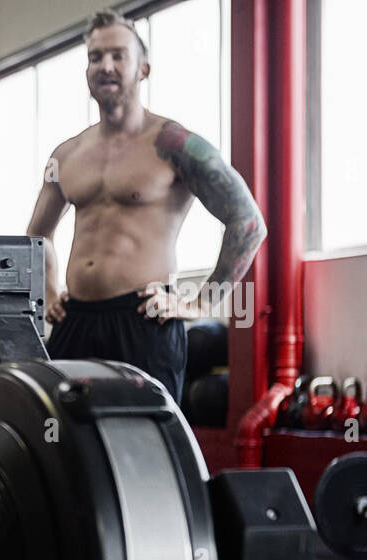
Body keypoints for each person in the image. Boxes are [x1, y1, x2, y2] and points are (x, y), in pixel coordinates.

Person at [26, 7, 266, 403]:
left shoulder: (176, 144)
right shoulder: (65, 155)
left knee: (145, 451)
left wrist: (201, 303)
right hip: (76, 321)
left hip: (143, 321)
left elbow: (247, 222)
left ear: (143, 69)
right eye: (95, 56)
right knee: (64, 449)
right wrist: (50, 293)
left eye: (118, 55)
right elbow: (38, 235)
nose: (105, 65)